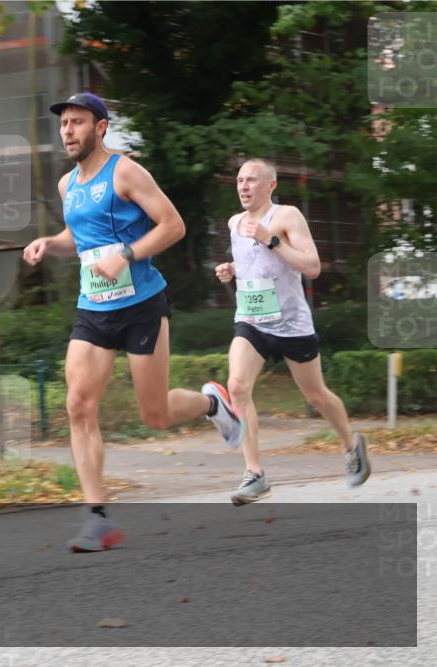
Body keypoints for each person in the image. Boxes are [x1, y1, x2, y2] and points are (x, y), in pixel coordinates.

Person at [23, 92, 245, 552]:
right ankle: (97, 517)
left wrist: (126, 255)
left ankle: (212, 403)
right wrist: (50, 242)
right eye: (64, 123)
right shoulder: (68, 186)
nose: (68, 131)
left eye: (77, 122)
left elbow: (173, 225)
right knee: (78, 405)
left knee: (155, 414)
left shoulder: (124, 171)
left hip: (141, 303)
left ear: (100, 127)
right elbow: (78, 235)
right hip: (93, 308)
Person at [214, 158, 370, 505]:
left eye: (252, 180)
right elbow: (254, 264)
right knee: (238, 386)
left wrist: (271, 240)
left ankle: (350, 445)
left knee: (316, 396)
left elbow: (311, 267)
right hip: (252, 321)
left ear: (270, 185)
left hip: (291, 324)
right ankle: (254, 475)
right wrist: (232, 269)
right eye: (239, 180)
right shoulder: (234, 223)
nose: (243, 186)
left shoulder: (286, 217)